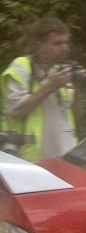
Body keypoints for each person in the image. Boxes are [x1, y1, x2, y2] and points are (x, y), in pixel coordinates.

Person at [1, 16, 78, 161]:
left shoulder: (59, 70)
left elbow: (67, 115)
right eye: (57, 43)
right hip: (32, 161)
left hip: (65, 157)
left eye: (66, 42)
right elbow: (14, 111)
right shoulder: (22, 66)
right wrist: (50, 86)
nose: (64, 48)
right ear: (40, 45)